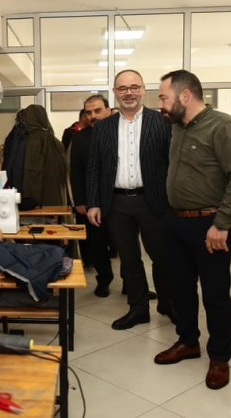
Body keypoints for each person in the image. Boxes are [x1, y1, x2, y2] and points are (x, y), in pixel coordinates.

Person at [152, 70, 231, 390]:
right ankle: (188, 341)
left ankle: (220, 357)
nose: (161, 104)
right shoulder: (178, 127)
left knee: (214, 293)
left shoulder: (224, 127)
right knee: (180, 288)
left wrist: (222, 225)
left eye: (164, 98)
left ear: (185, 96)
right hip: (176, 221)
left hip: (211, 225)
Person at [86, 69, 174, 330]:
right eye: (123, 88)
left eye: (134, 87)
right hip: (117, 203)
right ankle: (138, 309)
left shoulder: (162, 122)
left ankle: (168, 304)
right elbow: (94, 166)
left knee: (162, 257)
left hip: (153, 200)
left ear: (143, 89)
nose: (129, 93)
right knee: (129, 258)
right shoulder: (104, 126)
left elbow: (172, 163)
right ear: (115, 93)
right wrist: (93, 202)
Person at [70, 94, 114, 297]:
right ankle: (104, 280)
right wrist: (80, 200)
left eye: (97, 111)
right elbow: (76, 172)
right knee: (97, 245)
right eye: (88, 112)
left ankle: (132, 285)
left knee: (127, 246)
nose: (92, 116)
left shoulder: (122, 133)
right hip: (93, 201)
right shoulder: (80, 138)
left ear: (108, 110)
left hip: (121, 199)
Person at [2, 104, 68, 207]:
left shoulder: (21, 140)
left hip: (26, 202)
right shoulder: (55, 142)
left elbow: (10, 169)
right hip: (55, 201)